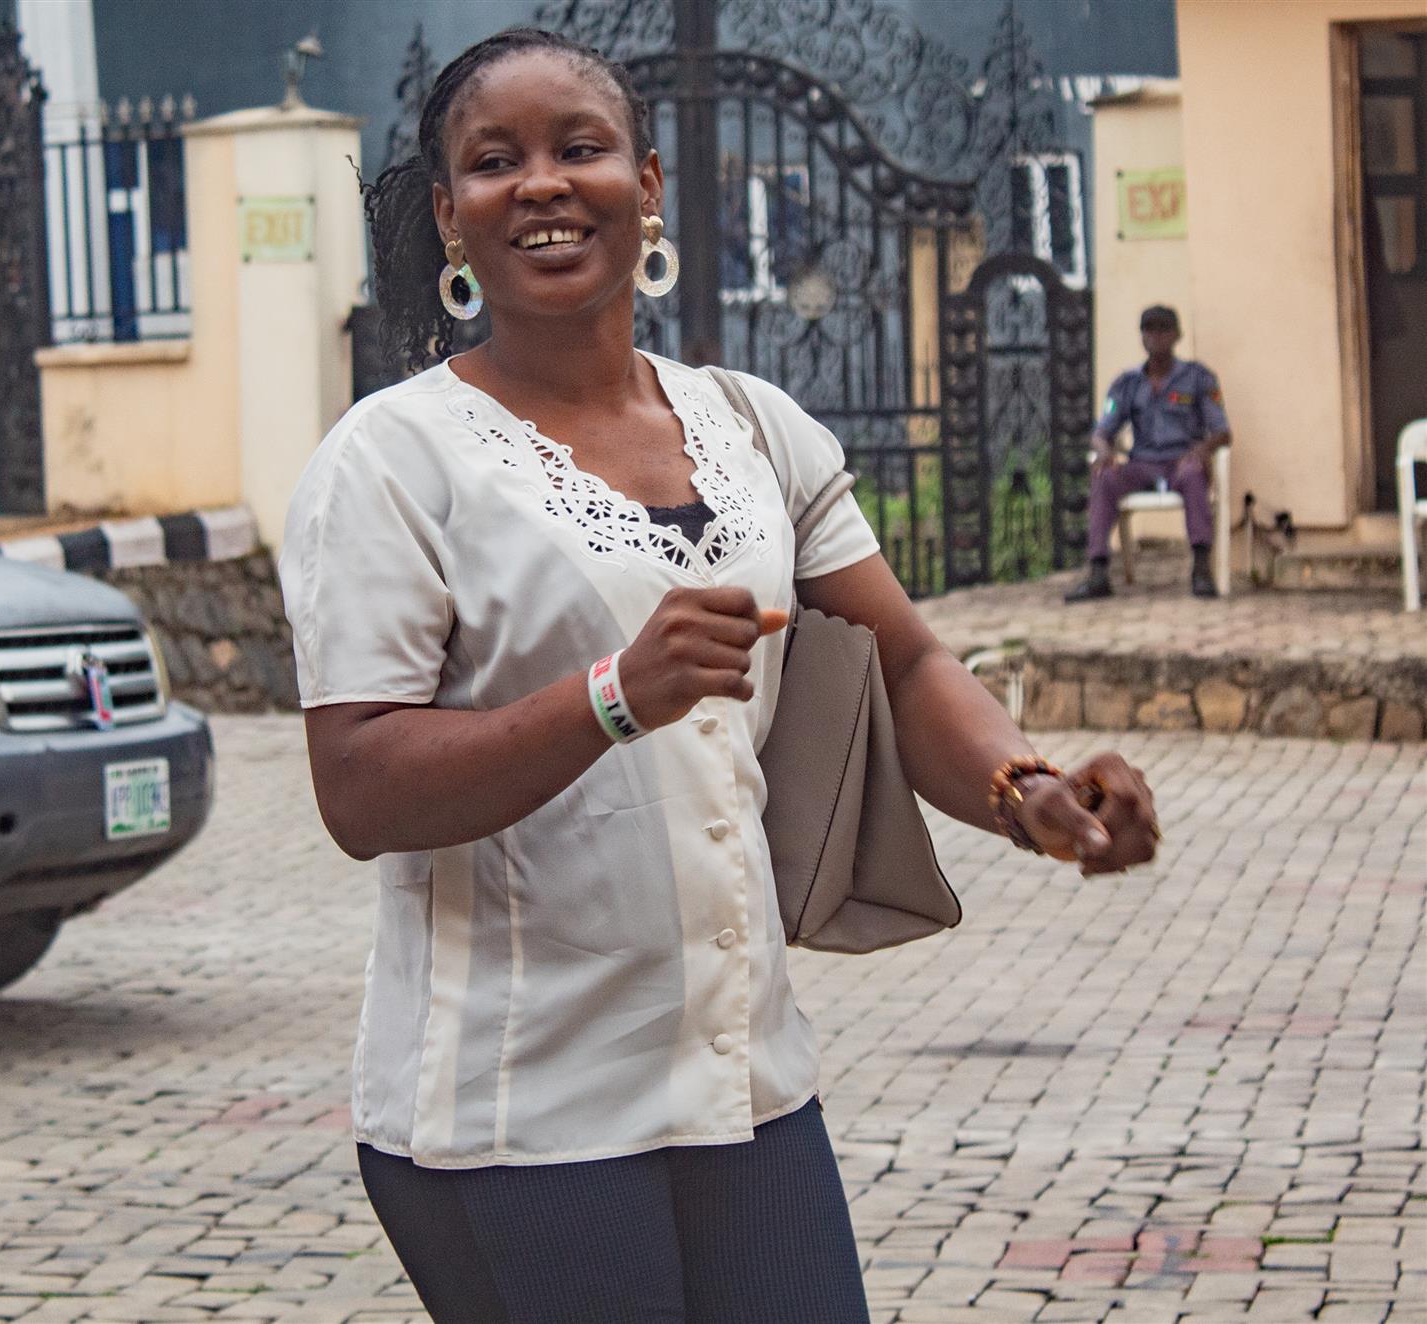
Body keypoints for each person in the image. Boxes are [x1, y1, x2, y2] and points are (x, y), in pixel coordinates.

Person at [279, 28, 1160, 1323]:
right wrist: (609, 697)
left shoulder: (749, 426)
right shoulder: (392, 462)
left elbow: (903, 658)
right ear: (448, 216)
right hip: (518, 1110)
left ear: (645, 185)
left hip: (743, 1082)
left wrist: (1021, 787)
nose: (540, 183)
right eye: (493, 161)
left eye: (579, 148)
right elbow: (359, 785)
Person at [1065, 305, 1231, 601]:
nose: (1156, 336)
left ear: (1177, 335)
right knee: (1104, 477)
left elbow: (1222, 431)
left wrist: (1202, 449)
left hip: (1180, 462)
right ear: (1142, 336)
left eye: (1164, 329)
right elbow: (1102, 431)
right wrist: (1104, 452)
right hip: (1142, 464)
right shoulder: (1126, 383)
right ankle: (1098, 572)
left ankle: (1201, 569)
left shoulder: (1198, 378)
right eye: (1149, 330)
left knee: (1194, 473)